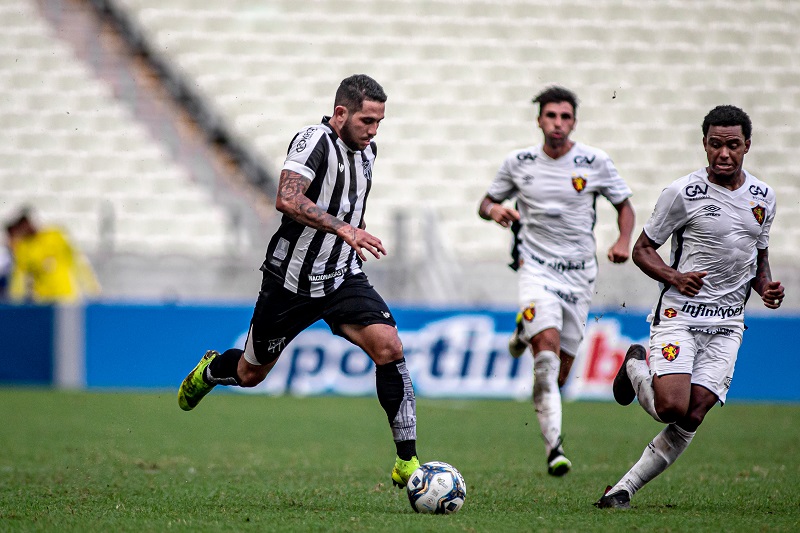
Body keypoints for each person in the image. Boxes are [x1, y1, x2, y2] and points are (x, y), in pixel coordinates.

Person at [177, 74, 420, 488]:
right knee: (251, 374)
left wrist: (352, 233)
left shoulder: (367, 152)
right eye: (366, 121)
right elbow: (287, 199)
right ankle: (213, 370)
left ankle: (408, 461)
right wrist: (344, 229)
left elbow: (348, 204)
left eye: (379, 122)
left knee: (390, 347)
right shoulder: (314, 141)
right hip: (290, 282)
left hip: (342, 275)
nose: (374, 130)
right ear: (340, 113)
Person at [594, 105, 785, 509]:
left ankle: (623, 489)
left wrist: (765, 287)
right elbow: (642, 250)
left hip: (729, 324)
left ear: (747, 145)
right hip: (680, 314)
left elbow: (756, 256)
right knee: (670, 407)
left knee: (693, 414)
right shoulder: (682, 193)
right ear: (705, 144)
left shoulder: (763, 197)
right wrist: (674, 277)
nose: (724, 153)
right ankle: (634, 364)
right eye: (715, 144)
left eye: (733, 145)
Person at [479, 85, 635, 476]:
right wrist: (496, 209)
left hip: (580, 276)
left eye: (565, 117)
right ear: (539, 120)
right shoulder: (519, 162)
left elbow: (625, 207)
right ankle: (554, 449)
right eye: (551, 116)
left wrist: (622, 240)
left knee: (561, 373)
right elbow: (484, 203)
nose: (558, 124)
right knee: (545, 361)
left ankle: (523, 329)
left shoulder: (594, 161)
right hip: (536, 270)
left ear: (574, 122)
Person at [5, 207, 101, 303]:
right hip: (43, 300)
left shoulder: (55, 236)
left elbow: (78, 262)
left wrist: (91, 287)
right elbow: (19, 278)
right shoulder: (24, 248)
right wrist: (15, 300)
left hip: (65, 297)